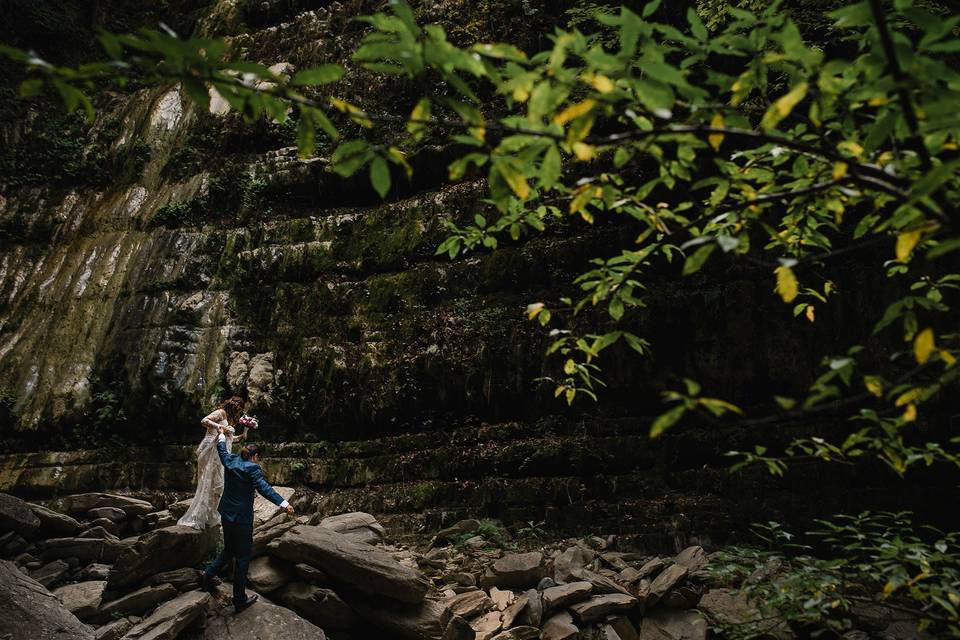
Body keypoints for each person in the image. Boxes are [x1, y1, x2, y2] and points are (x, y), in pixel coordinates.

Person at [200, 426, 293, 612]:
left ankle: (206, 576)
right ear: (255, 456)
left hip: (226, 514)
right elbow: (264, 489)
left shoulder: (231, 460)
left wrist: (220, 436)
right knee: (242, 558)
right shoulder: (253, 468)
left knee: (228, 550)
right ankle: (239, 600)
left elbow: (222, 450)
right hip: (242, 519)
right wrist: (284, 503)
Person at [178, 396, 251, 530]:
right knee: (210, 481)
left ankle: (212, 516)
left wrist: (242, 433)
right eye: (239, 408)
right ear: (234, 405)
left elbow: (229, 438)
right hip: (211, 449)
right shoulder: (221, 412)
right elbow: (204, 420)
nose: (239, 412)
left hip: (222, 452)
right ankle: (201, 516)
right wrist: (220, 427)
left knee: (218, 484)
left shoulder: (229, 418)